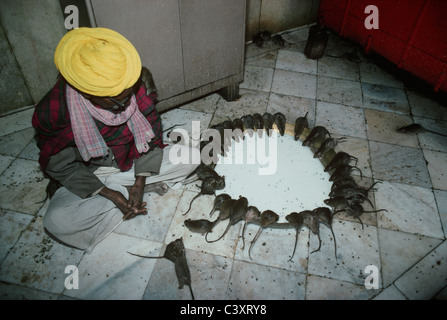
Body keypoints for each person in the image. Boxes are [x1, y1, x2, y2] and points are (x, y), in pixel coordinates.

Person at [32, 27, 200, 252]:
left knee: (191, 156)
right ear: (89, 94)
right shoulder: (54, 112)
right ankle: (119, 193)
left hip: (131, 162)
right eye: (118, 102)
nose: (127, 103)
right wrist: (108, 193)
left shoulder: (133, 86)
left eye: (129, 92)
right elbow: (61, 166)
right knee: (55, 221)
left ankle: (129, 189)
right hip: (92, 173)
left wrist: (140, 179)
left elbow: (151, 138)